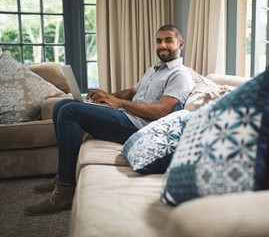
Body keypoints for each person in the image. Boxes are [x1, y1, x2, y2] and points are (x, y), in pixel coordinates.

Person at [24, 25, 195, 215]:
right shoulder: (155, 69)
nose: (162, 45)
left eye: (168, 40)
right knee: (60, 106)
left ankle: (66, 189)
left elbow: (161, 112)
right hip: (128, 116)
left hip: (140, 127)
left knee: (70, 111)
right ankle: (63, 174)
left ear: (180, 44)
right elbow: (132, 92)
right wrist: (105, 96)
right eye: (159, 40)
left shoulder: (180, 75)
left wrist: (119, 103)